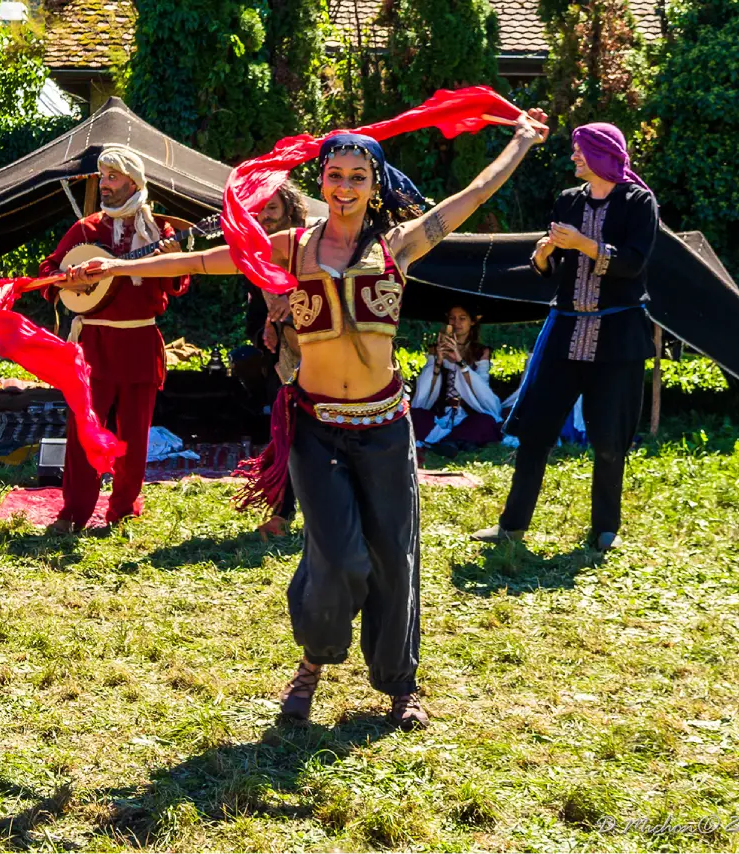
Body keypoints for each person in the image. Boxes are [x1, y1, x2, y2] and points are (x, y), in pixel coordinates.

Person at [64, 110, 550, 729]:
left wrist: (519, 143)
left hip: (382, 426)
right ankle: (314, 662)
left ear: (374, 184)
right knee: (338, 555)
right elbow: (201, 263)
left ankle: (400, 683)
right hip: (315, 425)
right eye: (335, 176)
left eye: (356, 177)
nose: (344, 187)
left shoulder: (397, 245)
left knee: (393, 556)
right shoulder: (292, 249)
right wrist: (117, 268)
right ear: (321, 182)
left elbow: (471, 196)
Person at [472, 123, 658, 553]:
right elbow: (557, 274)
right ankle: (512, 526)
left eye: (580, 151)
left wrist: (586, 244)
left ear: (602, 154)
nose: (574, 158)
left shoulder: (638, 202)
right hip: (566, 334)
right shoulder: (568, 202)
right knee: (535, 433)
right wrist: (542, 258)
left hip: (618, 339)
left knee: (610, 440)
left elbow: (633, 263)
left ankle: (604, 529)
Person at [39, 146, 184, 534]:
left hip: (139, 342)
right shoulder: (87, 230)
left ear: (134, 182)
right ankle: (74, 513)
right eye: (102, 177)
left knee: (134, 437)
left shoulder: (160, 231)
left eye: (112, 177)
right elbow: (49, 269)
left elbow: (179, 282)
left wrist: (173, 258)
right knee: (85, 431)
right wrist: (66, 279)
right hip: (94, 345)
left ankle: (122, 510)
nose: (104, 184)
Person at [230, 181, 311, 537]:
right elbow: (253, 323)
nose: (265, 216)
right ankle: (283, 510)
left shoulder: (312, 248)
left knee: (320, 436)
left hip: (322, 358)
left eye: (272, 209)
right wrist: (270, 317)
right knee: (285, 435)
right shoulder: (254, 257)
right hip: (281, 362)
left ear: (290, 211)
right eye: (260, 210)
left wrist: (290, 301)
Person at [410, 304, 505, 451]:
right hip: (440, 413)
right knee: (415, 416)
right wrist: (438, 362)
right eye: (452, 318)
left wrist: (460, 362)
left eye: (462, 318)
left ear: (472, 322)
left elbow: (482, 391)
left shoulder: (480, 351)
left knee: (485, 421)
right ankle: (457, 440)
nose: (456, 323)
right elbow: (426, 388)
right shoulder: (436, 349)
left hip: (468, 414)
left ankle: (449, 440)